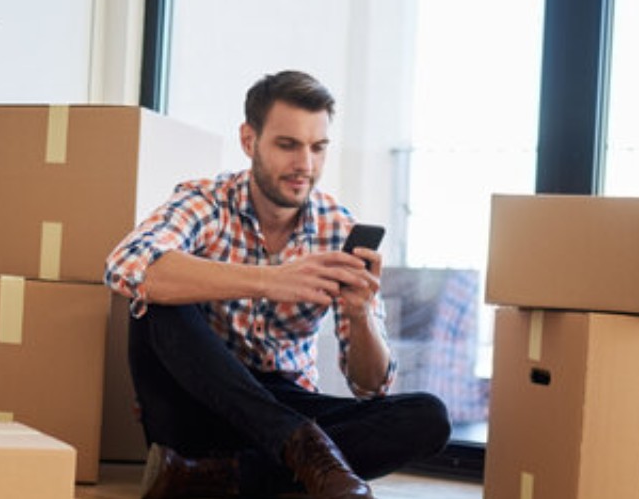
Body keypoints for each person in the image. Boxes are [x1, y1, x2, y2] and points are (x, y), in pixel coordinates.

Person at [104, 70, 451, 499]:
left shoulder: (337, 228)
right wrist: (269, 280)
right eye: (288, 145)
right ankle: (299, 455)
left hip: (282, 404)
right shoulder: (204, 201)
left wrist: (361, 315)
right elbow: (125, 265)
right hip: (197, 402)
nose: (305, 165)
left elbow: (370, 384)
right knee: (158, 302)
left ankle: (209, 477)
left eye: (317, 147)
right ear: (249, 141)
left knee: (428, 417)